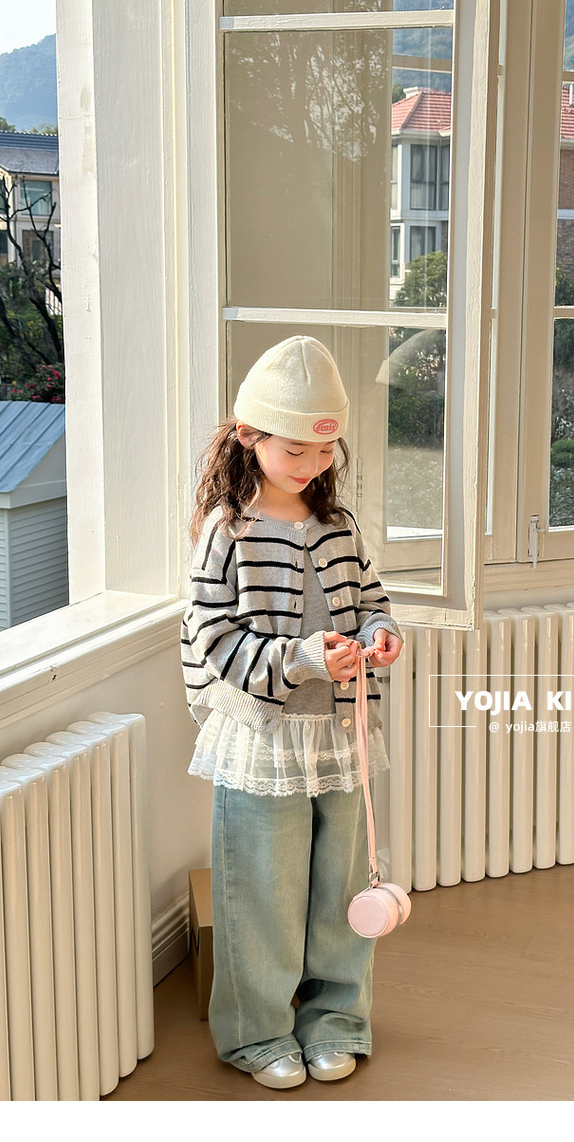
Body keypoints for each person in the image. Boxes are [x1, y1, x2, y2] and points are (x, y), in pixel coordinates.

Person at [181, 335, 404, 1090]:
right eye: (295, 452)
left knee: (341, 888)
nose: (312, 466)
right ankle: (258, 1031)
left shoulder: (338, 525)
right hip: (264, 738)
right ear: (250, 436)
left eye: (324, 450)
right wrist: (302, 658)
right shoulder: (228, 531)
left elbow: (370, 599)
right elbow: (213, 638)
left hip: (339, 735)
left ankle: (336, 1019)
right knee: (262, 892)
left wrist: (381, 634)